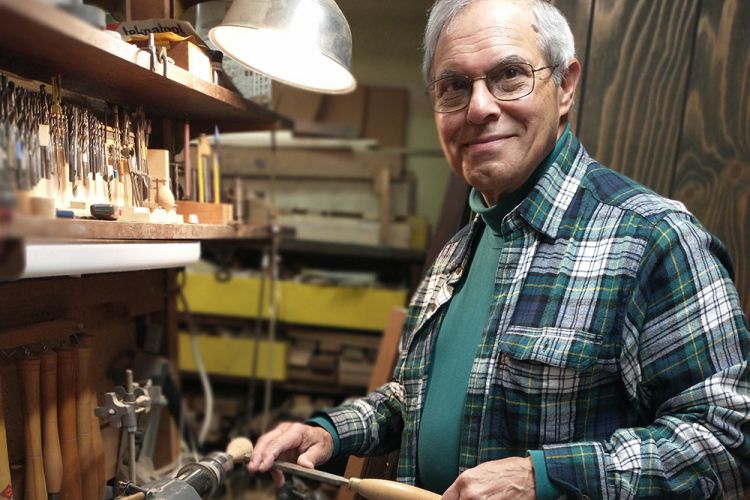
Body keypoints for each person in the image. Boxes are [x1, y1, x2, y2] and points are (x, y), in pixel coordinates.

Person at [248, 0, 750, 497]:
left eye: (509, 75)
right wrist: (331, 433)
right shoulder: (458, 252)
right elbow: (415, 398)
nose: (480, 107)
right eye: (454, 86)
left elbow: (727, 441)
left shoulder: (652, 239)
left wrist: (543, 479)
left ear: (566, 85)